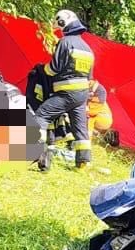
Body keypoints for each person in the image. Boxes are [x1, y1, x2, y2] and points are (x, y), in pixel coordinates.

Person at [34, 9, 95, 171]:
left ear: (63, 23)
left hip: (67, 92)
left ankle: (36, 151)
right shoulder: (88, 49)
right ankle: (83, 163)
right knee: (80, 128)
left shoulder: (65, 42)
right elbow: (89, 76)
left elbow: (53, 69)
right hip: (82, 95)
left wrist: (42, 69)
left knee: (42, 114)